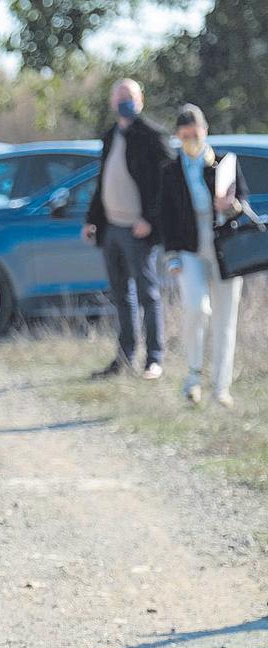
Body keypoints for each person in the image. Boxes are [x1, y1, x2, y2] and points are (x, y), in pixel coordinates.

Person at [156, 104, 249, 407]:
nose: (191, 140)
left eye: (195, 134)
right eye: (185, 136)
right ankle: (193, 375)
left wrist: (229, 205)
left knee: (226, 318)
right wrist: (171, 254)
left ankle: (221, 387)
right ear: (178, 137)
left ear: (205, 131)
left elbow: (243, 203)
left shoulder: (223, 163)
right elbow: (166, 217)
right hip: (190, 248)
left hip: (224, 248)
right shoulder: (170, 171)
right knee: (197, 308)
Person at [83, 78, 175, 380]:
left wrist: (149, 219)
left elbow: (166, 184)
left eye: (130, 97)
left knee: (148, 294)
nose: (124, 102)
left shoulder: (152, 135)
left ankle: (154, 359)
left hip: (139, 231)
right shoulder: (111, 135)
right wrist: (92, 219)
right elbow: (102, 182)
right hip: (112, 229)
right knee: (121, 295)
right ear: (112, 102)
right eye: (120, 97)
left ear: (141, 100)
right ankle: (125, 357)